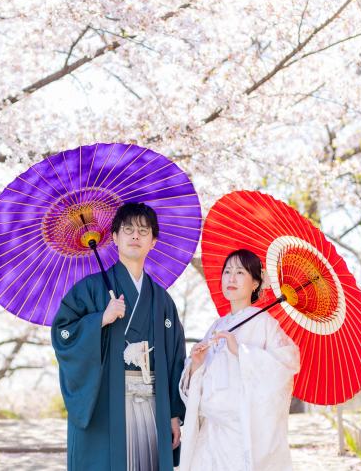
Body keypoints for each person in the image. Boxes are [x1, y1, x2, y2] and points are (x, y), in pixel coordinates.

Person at [51, 202, 187, 471]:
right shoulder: (89, 289)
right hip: (105, 404)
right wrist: (100, 319)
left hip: (152, 405)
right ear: (114, 237)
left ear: (153, 241)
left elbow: (175, 358)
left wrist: (173, 413)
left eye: (143, 230)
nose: (135, 235)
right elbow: (62, 334)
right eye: (127, 229)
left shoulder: (162, 300)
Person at [179, 249, 301, 471]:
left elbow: (286, 365)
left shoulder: (266, 324)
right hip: (210, 435)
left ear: (256, 282)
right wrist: (196, 364)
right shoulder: (217, 326)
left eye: (240, 272)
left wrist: (242, 352)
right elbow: (200, 380)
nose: (231, 278)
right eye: (227, 271)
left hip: (242, 433)